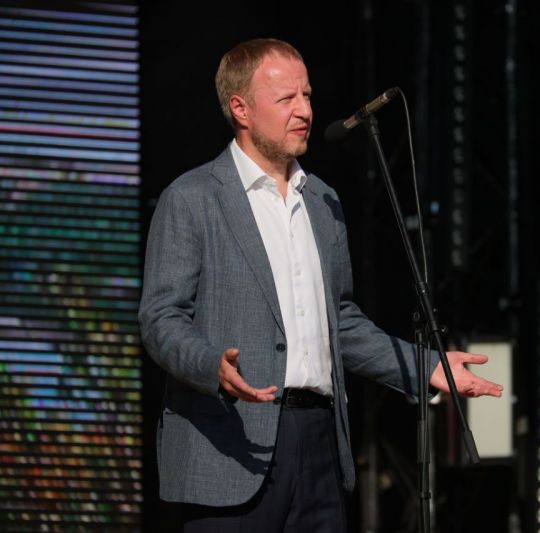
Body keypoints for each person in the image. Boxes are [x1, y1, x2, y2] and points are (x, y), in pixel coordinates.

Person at [138, 37, 502, 532]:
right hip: (231, 442)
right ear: (241, 109)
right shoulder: (192, 197)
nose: (305, 111)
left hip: (319, 444)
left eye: (307, 95)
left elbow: (341, 324)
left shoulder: (322, 201)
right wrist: (210, 366)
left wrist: (427, 367)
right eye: (286, 98)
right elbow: (161, 317)